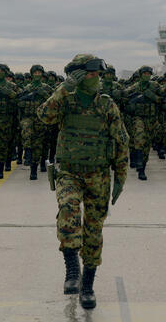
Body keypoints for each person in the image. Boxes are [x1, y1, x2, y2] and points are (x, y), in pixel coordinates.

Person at [37, 54, 129, 309]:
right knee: (68, 210)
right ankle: (72, 270)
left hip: (98, 175)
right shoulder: (65, 100)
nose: (95, 78)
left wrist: (120, 176)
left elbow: (121, 141)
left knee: (93, 229)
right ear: (77, 75)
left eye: (97, 74)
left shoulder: (107, 105)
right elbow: (43, 116)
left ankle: (88, 285)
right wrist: (64, 87)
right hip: (69, 172)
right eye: (90, 74)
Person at [18, 65, 52, 179]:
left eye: (39, 73)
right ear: (32, 74)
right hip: (28, 117)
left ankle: (34, 169)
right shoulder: (27, 88)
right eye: (35, 73)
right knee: (26, 131)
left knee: (38, 145)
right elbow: (18, 101)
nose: (37, 74)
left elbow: (53, 102)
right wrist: (21, 104)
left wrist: (44, 94)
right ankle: (27, 152)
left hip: (41, 119)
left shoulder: (47, 88)